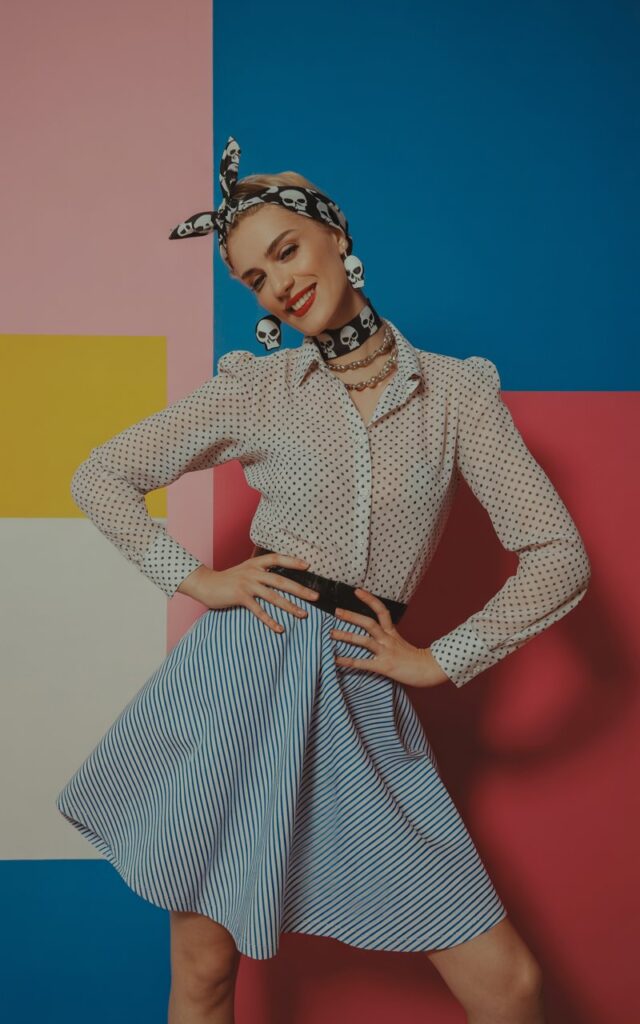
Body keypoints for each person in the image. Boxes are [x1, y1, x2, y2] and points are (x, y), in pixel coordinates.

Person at [56, 136, 591, 1024]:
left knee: (510, 986)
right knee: (203, 971)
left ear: (333, 235)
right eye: (253, 280)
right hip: (239, 682)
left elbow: (559, 557)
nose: (278, 285)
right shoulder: (259, 391)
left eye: (286, 252)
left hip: (357, 688)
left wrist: (440, 660)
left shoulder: (457, 396)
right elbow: (98, 475)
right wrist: (197, 580)